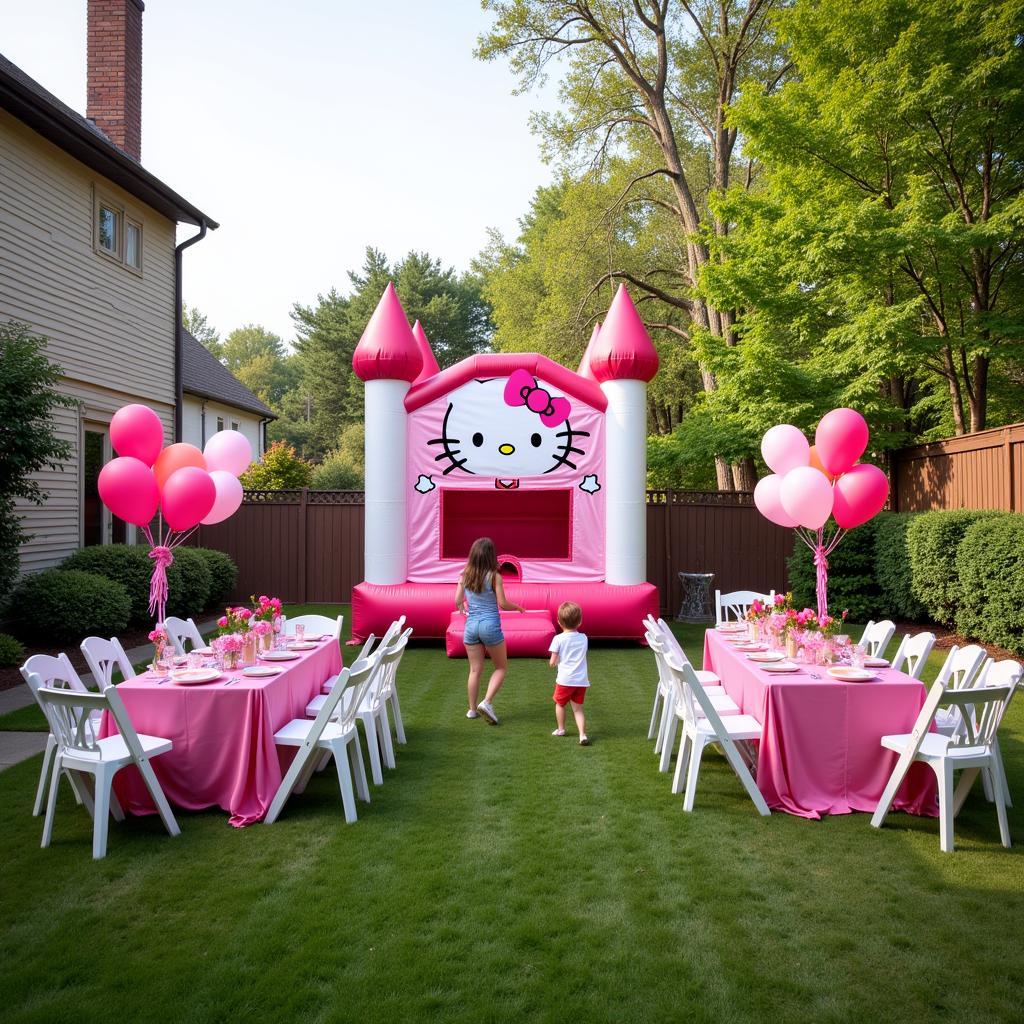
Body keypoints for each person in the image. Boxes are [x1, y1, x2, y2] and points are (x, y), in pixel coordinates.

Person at [455, 537, 524, 725]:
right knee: (501, 667)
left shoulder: (464, 575)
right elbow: (502, 603)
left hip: (471, 627)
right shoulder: (495, 576)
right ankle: (486, 702)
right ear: (491, 556)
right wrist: (517, 607)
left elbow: (457, 599)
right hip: (489, 626)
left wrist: (461, 606)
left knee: (474, 670)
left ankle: (471, 710)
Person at [548, 601, 590, 745]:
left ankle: (561, 729)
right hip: (581, 681)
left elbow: (552, 662)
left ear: (559, 622)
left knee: (560, 704)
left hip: (565, 680)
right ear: (580, 621)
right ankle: (582, 735)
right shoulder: (584, 638)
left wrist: (555, 660)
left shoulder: (558, 639)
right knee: (578, 709)